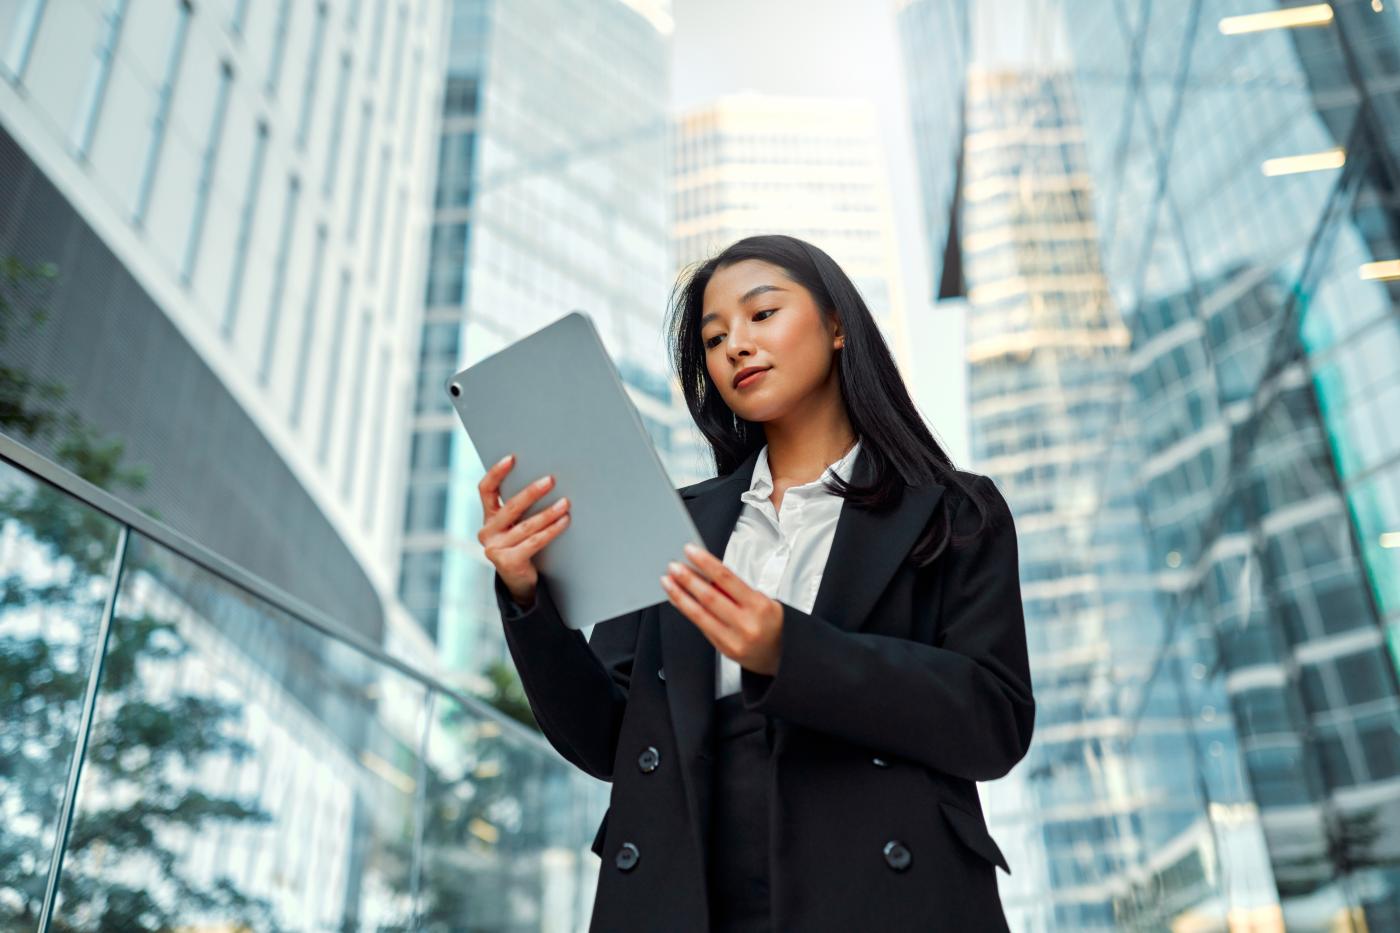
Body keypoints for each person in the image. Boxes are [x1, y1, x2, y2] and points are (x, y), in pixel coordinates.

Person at [476, 234, 1035, 932]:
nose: (735, 345)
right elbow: (609, 738)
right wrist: (530, 598)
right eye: (715, 338)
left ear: (836, 324)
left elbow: (994, 720)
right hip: (689, 898)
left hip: (882, 898)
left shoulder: (953, 512)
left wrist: (791, 651)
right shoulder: (670, 522)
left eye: (761, 313)